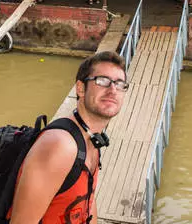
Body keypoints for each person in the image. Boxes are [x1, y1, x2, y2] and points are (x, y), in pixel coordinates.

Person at [9, 51, 128, 223]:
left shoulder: (92, 139)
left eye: (120, 84)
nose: (112, 90)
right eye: (102, 81)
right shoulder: (60, 145)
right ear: (80, 88)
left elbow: (89, 202)